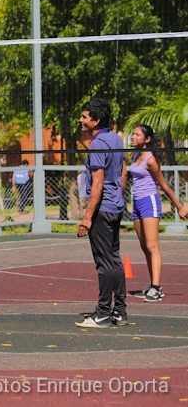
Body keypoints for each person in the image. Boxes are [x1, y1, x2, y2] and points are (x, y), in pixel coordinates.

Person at [76, 97, 127, 328]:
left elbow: (97, 183)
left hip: (103, 209)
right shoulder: (115, 138)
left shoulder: (97, 144)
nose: (81, 120)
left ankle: (104, 313)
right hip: (115, 206)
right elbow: (122, 173)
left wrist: (87, 217)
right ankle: (120, 311)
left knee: (104, 263)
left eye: (85, 117)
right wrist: (119, 196)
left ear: (96, 121)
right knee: (115, 260)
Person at [123, 124, 188, 302]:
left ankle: (156, 288)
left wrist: (179, 206)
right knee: (144, 247)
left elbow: (164, 185)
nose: (133, 137)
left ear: (147, 139)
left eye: (137, 135)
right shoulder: (135, 155)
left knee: (153, 247)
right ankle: (152, 285)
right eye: (133, 135)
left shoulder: (150, 160)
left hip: (149, 202)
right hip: (136, 202)